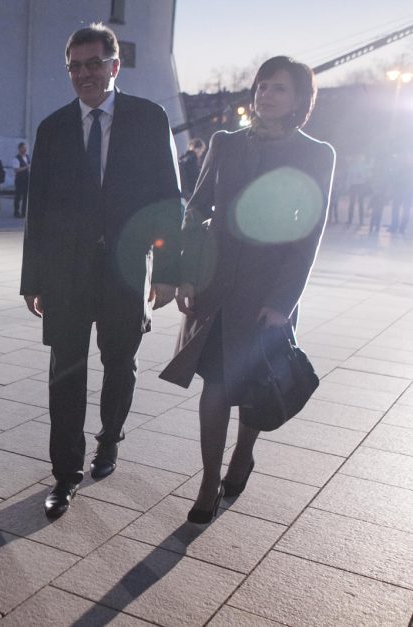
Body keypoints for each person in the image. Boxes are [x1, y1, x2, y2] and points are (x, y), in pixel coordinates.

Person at [159, 56, 335, 524]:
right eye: (262, 86)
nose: (266, 95)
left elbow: (309, 234)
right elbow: (195, 212)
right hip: (216, 285)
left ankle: (243, 455)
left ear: (300, 100)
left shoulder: (316, 154)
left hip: (266, 294)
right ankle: (207, 481)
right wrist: (186, 272)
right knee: (215, 388)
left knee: (254, 386)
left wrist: (283, 302)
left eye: (279, 88)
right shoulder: (226, 143)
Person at [20, 23, 182, 518]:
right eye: (75, 66)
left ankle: (109, 439)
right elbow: (39, 209)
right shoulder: (52, 128)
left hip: (126, 271)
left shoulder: (148, 119)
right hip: (66, 275)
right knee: (64, 374)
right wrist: (33, 280)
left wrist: (169, 269)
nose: (84, 74)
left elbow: (167, 200)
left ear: (115, 66)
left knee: (120, 364)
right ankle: (64, 475)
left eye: (94, 63)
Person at [13, 142, 30, 217]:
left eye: (25, 148)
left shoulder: (27, 157)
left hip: (26, 179)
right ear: (19, 149)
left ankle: (24, 212)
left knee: (26, 196)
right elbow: (16, 170)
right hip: (19, 180)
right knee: (18, 196)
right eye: (23, 148)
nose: (25, 149)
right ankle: (16, 212)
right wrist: (26, 167)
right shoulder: (16, 159)